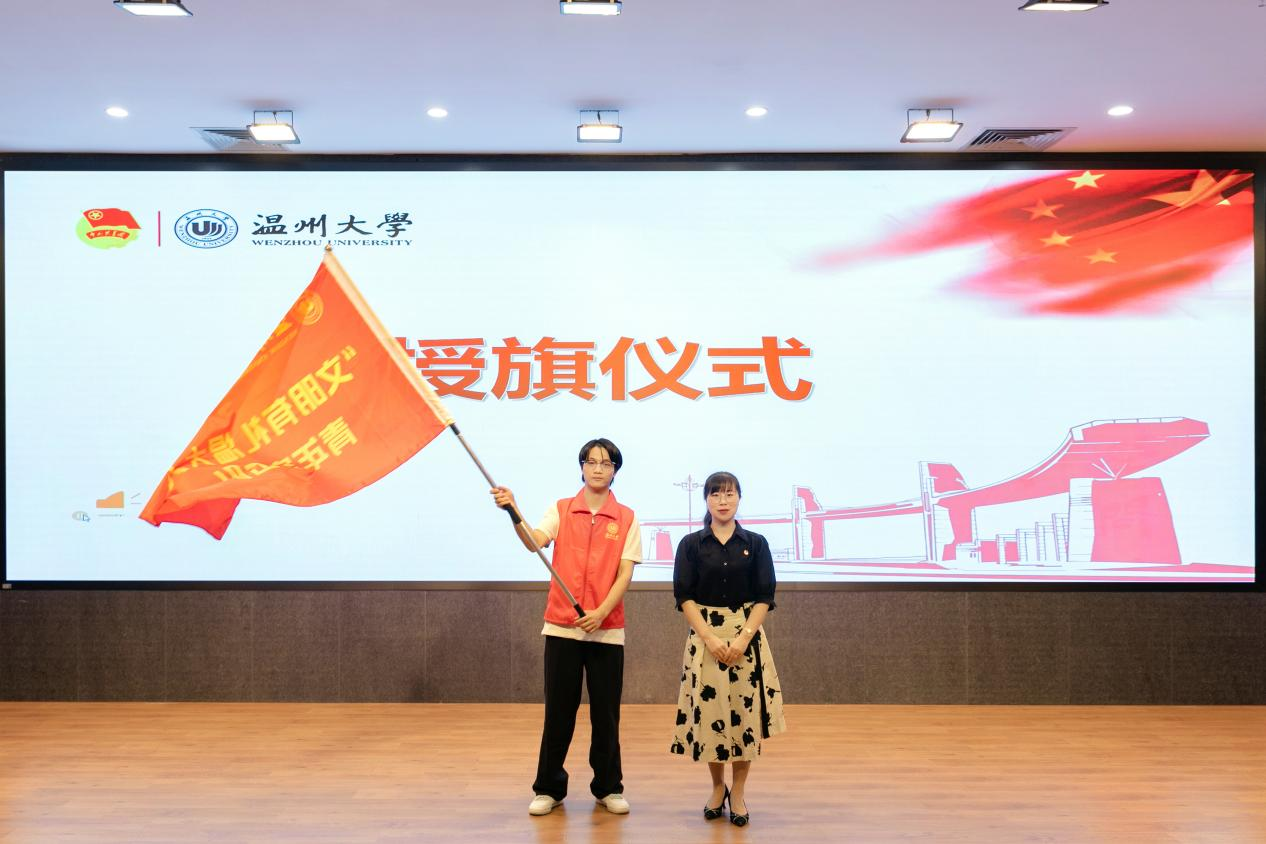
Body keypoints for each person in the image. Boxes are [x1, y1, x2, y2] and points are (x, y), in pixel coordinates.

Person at [490, 438, 641, 817]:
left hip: (607, 630)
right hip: (562, 629)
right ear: (582, 467)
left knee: (606, 714)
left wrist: (601, 612)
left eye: (606, 463)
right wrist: (513, 511)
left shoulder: (626, 517)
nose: (598, 469)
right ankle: (548, 788)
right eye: (591, 462)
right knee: (558, 712)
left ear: (615, 471)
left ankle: (608, 787)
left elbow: (625, 573)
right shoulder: (561, 509)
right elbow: (534, 542)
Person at [669, 470, 786, 827]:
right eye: (716, 494)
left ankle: (739, 792)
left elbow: (765, 595)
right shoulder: (691, 545)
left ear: (739, 498)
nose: (723, 501)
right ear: (706, 499)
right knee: (710, 716)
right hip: (705, 638)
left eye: (729, 494)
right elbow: (684, 596)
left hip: (745, 638)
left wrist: (743, 638)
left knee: (744, 717)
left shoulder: (756, 543)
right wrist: (710, 638)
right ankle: (717, 787)